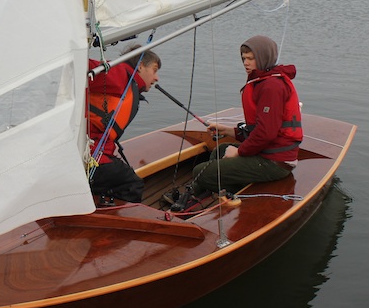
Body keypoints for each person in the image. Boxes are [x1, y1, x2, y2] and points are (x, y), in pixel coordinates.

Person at [186, 35, 301, 206]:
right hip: (267, 153)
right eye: (243, 58)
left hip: (275, 162)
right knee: (221, 150)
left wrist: (239, 152)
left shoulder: (272, 86)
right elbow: (257, 128)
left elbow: (266, 133)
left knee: (200, 172)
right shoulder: (263, 81)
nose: (246, 63)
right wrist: (229, 131)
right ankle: (196, 193)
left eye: (251, 58)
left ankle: (216, 191)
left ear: (263, 58)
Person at [86, 46, 161, 204]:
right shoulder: (120, 75)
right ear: (140, 66)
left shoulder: (128, 83)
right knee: (131, 184)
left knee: (123, 176)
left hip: (94, 153)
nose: (157, 78)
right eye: (154, 70)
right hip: (91, 159)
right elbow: (85, 68)